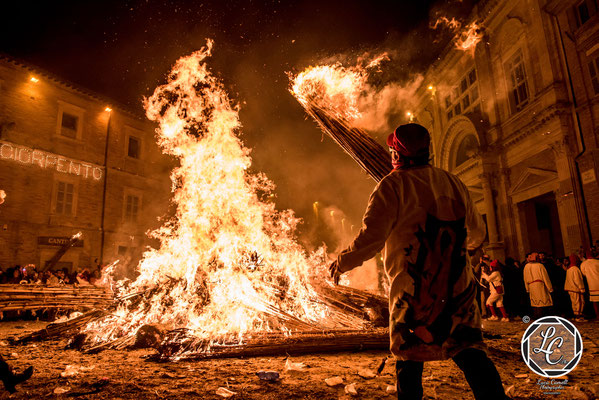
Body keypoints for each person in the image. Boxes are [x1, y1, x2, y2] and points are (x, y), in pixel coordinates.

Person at [328, 124, 507, 400]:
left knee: (409, 357)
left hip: (413, 292)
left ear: (396, 155)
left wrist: (342, 262)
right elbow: (478, 233)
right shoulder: (453, 182)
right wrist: (459, 253)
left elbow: (372, 238)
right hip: (458, 288)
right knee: (469, 350)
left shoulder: (391, 185)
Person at [523, 252, 553, 319]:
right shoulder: (540, 265)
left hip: (531, 286)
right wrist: (550, 288)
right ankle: (543, 316)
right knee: (542, 301)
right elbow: (545, 277)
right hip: (540, 285)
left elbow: (525, 278)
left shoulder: (526, 266)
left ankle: (537, 316)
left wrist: (527, 288)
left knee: (535, 302)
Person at [565, 254, 586, 321]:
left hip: (571, 288)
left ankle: (576, 315)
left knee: (574, 302)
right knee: (579, 302)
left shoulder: (569, 269)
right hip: (575, 288)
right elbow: (578, 279)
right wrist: (581, 288)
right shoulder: (575, 269)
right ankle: (578, 316)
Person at [580, 252, 599, 319]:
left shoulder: (583, 264)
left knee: (595, 302)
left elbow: (583, 274)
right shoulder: (597, 262)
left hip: (591, 285)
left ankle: (597, 315)